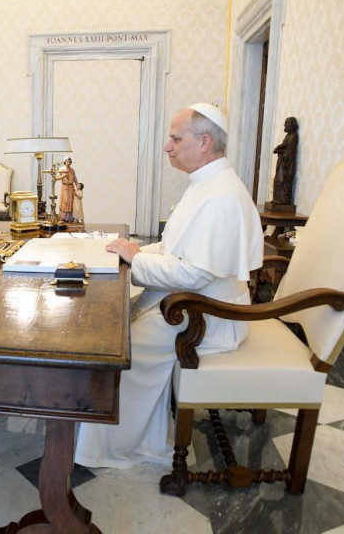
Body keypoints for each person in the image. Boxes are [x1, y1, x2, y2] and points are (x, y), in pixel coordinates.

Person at [74, 103, 263, 469]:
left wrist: (135, 258)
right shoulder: (206, 184)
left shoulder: (221, 196)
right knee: (112, 327)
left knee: (116, 348)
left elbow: (195, 275)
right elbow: (174, 248)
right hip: (191, 303)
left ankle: (115, 446)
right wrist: (130, 251)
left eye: (176, 139)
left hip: (208, 314)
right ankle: (118, 432)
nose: (167, 146)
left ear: (204, 142)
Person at [272, 116, 299, 205]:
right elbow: (285, 146)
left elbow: (289, 152)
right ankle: (277, 198)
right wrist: (279, 149)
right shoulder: (288, 135)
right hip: (282, 163)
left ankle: (283, 199)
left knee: (283, 181)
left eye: (287, 123)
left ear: (292, 125)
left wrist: (279, 150)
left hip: (286, 165)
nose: (284, 125)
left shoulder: (293, 136)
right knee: (278, 181)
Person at [58, 156, 78, 222]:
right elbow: (57, 177)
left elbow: (75, 178)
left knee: (71, 202)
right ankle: (63, 217)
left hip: (71, 187)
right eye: (67, 161)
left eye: (70, 161)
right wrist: (63, 175)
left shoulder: (72, 170)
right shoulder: (61, 169)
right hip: (65, 187)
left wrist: (77, 184)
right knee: (65, 201)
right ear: (65, 162)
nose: (68, 163)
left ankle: (70, 218)